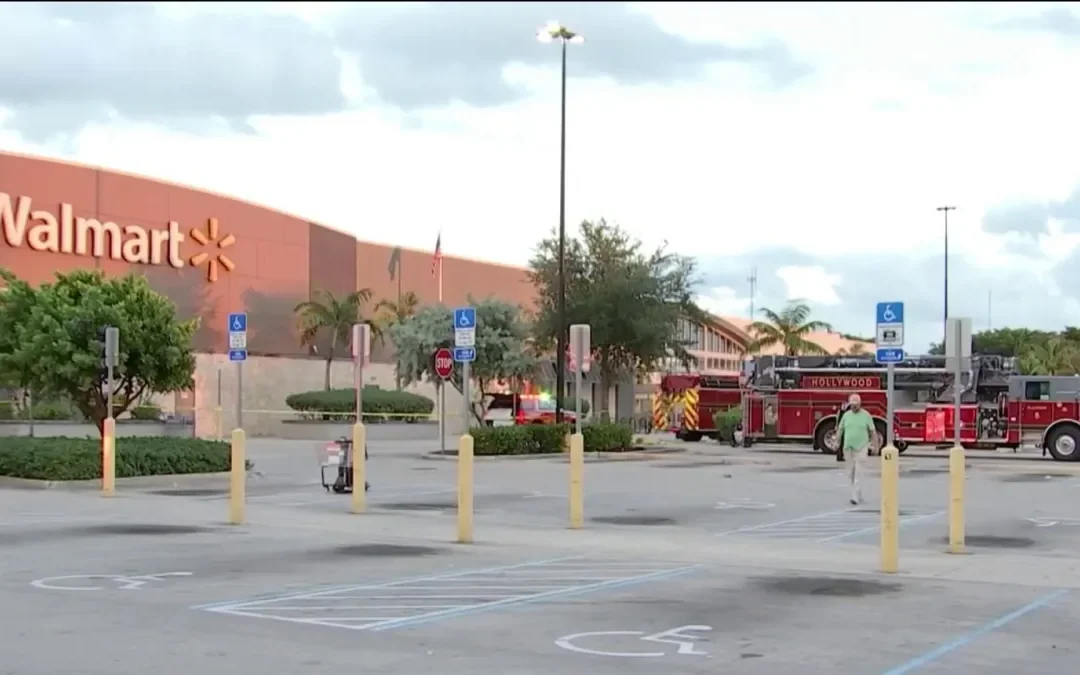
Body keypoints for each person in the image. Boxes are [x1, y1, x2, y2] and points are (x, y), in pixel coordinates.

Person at [835, 393, 875, 505]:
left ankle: (854, 497)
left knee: (859, 471)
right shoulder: (846, 415)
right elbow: (840, 429)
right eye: (852, 405)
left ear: (860, 404)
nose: (853, 407)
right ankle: (858, 494)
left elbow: (872, 431)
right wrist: (837, 441)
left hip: (861, 447)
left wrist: (874, 445)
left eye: (855, 405)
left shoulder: (866, 415)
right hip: (848, 448)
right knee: (851, 472)